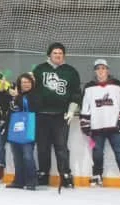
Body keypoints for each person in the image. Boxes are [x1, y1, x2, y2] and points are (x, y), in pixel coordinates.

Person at [80, 59, 120, 189]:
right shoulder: (89, 87)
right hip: (96, 127)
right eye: (98, 68)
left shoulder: (117, 85)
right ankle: (97, 176)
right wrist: (85, 123)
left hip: (115, 126)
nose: (100, 71)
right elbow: (85, 106)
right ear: (95, 71)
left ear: (107, 70)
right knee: (97, 152)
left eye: (103, 68)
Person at [32, 42, 82, 188]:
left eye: (60, 53)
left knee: (61, 146)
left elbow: (76, 93)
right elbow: (31, 89)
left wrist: (72, 110)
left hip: (61, 115)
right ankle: (43, 174)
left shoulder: (71, 71)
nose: (58, 55)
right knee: (43, 147)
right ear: (49, 54)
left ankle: (65, 175)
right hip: (42, 115)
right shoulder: (39, 69)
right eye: (55, 53)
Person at [5, 74, 40, 190]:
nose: (26, 84)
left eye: (28, 82)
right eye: (23, 82)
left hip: (29, 129)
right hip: (15, 128)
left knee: (27, 156)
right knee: (17, 156)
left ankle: (32, 180)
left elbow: (32, 107)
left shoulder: (35, 95)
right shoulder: (14, 95)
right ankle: (19, 181)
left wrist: (17, 97)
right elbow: (8, 109)